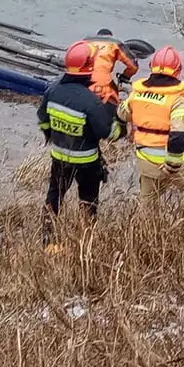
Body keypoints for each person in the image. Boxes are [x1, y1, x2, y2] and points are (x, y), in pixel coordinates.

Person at [37, 40, 125, 251]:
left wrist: (51, 135)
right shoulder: (91, 101)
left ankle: (47, 241)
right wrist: (121, 125)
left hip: (59, 156)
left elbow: (43, 118)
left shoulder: (53, 90)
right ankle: (86, 242)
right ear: (90, 68)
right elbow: (106, 132)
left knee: (55, 195)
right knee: (88, 200)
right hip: (87, 161)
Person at [117, 46, 184, 200]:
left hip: (145, 159)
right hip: (171, 161)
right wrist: (173, 164)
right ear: (178, 70)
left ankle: (145, 217)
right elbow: (178, 134)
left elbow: (122, 114)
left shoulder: (137, 94)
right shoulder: (176, 100)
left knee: (148, 202)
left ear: (151, 67)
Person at [83, 28, 140, 110]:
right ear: (111, 36)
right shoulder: (115, 43)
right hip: (101, 84)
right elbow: (133, 66)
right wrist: (125, 76)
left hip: (81, 80)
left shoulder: (85, 42)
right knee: (113, 104)